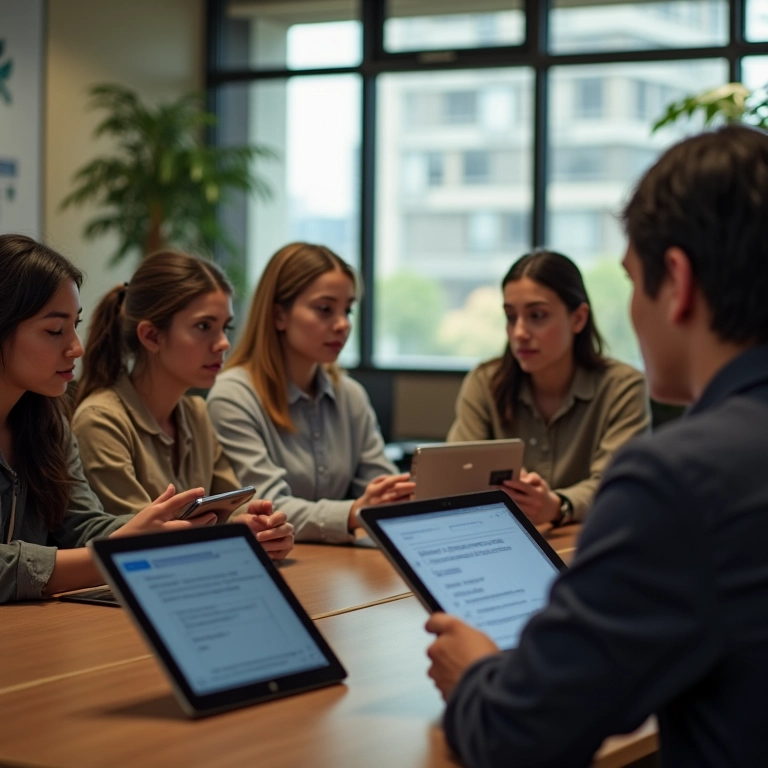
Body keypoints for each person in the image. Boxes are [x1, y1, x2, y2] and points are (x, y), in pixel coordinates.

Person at [426, 124, 768, 766]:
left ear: (678, 280)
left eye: (634, 283)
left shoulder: (680, 480)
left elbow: (521, 736)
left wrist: (472, 673)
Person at [0, 234, 224, 603]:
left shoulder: (48, 421)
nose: (77, 347)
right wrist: (111, 556)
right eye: (55, 330)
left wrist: (167, 532)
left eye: (75, 325)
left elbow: (82, 525)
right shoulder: (99, 415)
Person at [71, 250, 293, 560]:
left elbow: (233, 503)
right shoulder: (100, 420)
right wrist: (231, 536)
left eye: (225, 327)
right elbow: (143, 540)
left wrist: (258, 527)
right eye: (204, 327)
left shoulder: (196, 413)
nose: (224, 343)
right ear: (151, 336)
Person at [207, 242, 413, 544]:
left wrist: (401, 496)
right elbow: (266, 508)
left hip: (337, 567)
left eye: (348, 309)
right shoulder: (233, 396)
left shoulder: (350, 395)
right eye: (325, 309)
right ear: (279, 315)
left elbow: (381, 487)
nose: (343, 324)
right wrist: (355, 512)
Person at [447, 249, 650, 525]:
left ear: (578, 318)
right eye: (510, 317)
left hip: (584, 546)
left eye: (537, 315)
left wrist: (558, 506)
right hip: (499, 540)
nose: (519, 332)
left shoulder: (621, 386)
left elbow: (619, 487)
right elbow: (457, 476)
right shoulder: (485, 381)